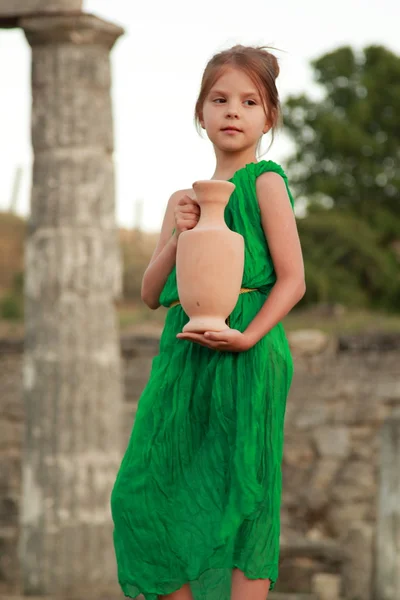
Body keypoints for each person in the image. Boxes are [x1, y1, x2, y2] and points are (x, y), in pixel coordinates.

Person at [111, 44, 306, 600]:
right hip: (183, 355)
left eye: (249, 101)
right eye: (219, 99)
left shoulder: (266, 181)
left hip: (249, 349)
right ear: (201, 111)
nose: (232, 111)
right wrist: (178, 232)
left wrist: (246, 337)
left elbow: (293, 280)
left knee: (243, 489)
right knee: (142, 494)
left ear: (268, 117)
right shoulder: (181, 199)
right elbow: (150, 295)